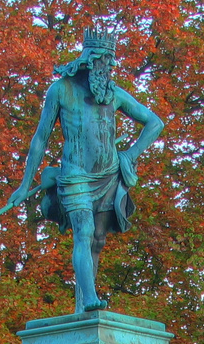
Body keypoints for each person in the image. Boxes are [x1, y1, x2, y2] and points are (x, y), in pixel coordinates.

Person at [9, 27, 165, 314]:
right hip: (76, 176)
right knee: (84, 232)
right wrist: (24, 185)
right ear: (89, 60)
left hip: (109, 176)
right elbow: (40, 138)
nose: (108, 67)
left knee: (98, 240)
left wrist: (130, 154)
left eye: (111, 62)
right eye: (103, 60)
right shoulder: (60, 90)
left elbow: (154, 123)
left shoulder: (114, 94)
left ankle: (85, 304)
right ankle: (90, 299)